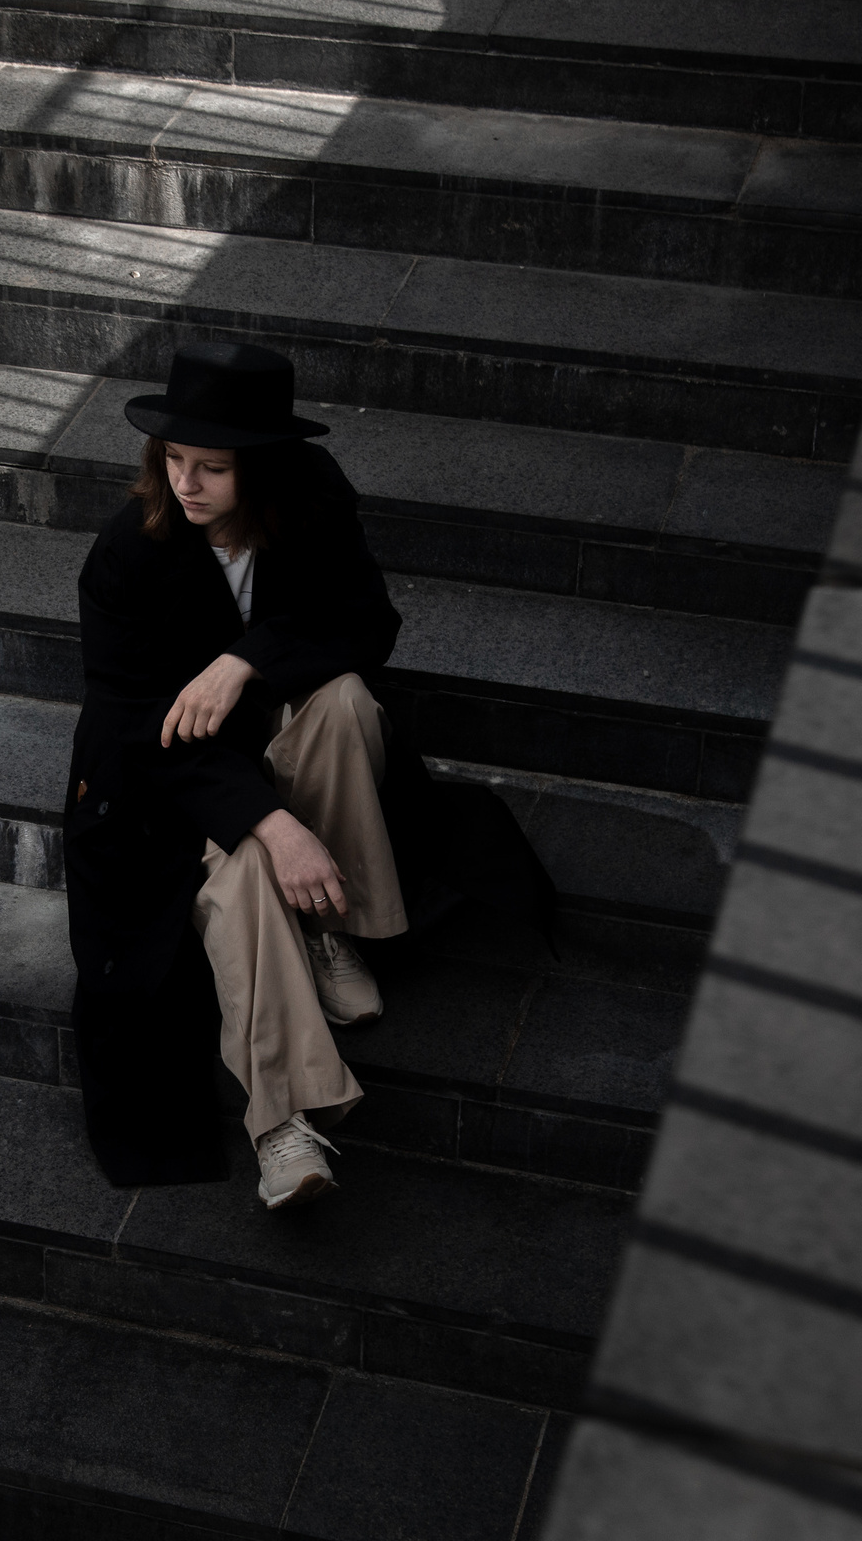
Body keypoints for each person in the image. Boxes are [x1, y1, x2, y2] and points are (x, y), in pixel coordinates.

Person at [63, 341, 554, 1209]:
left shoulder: (312, 497)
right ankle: (282, 1123)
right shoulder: (126, 557)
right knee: (249, 866)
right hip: (164, 787)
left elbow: (366, 622)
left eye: (212, 466)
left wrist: (244, 660)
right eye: (174, 460)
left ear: (262, 466)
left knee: (345, 703)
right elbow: (138, 732)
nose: (187, 484)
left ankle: (337, 925)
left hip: (275, 725)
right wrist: (269, 820)